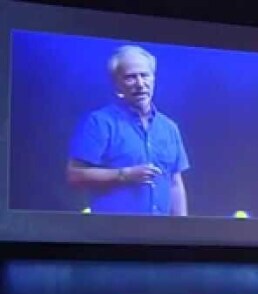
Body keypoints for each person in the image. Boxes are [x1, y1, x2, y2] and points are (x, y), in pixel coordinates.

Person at [66, 45, 189, 216]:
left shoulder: (169, 128)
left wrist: (181, 226)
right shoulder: (99, 122)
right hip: (113, 229)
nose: (140, 84)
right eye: (131, 77)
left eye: (144, 75)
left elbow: (175, 183)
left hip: (160, 231)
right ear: (117, 84)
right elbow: (75, 176)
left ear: (153, 79)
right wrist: (124, 175)